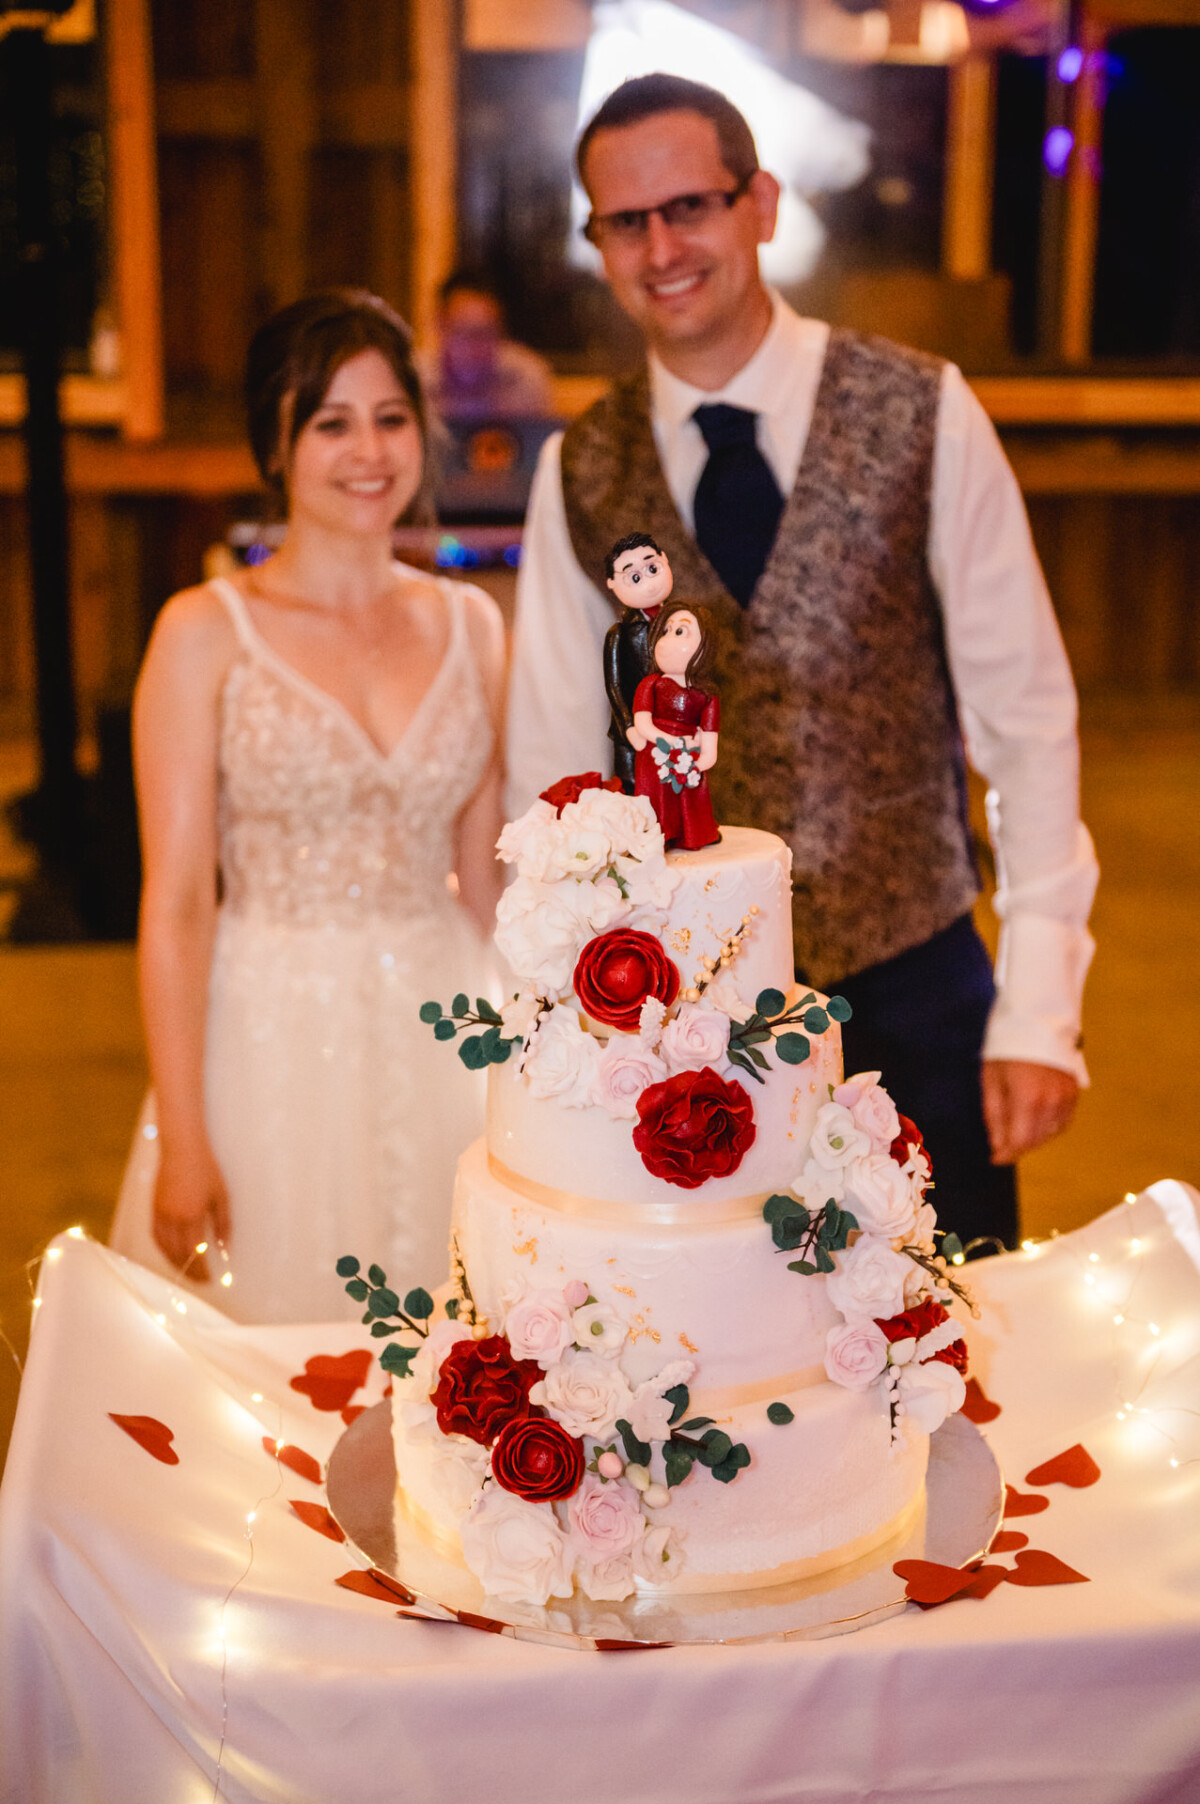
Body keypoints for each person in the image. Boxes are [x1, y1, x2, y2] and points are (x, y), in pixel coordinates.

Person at [506, 74, 1099, 1250]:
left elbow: (1027, 722)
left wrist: (1039, 1006)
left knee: (949, 1361)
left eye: (692, 207)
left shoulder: (925, 409)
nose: (662, 247)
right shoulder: (579, 463)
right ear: (598, 243)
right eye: (626, 222)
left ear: (761, 204)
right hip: (682, 1030)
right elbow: (552, 771)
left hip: (918, 984)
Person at [110, 289, 506, 1322]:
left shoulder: (473, 625)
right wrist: (186, 1136)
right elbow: (178, 902)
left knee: (473, 1362)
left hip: (447, 1025)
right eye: (331, 422)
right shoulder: (204, 631)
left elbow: (491, 884)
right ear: (275, 445)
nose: (368, 450)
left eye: (389, 417)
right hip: (268, 1035)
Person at [422, 271, 555, 421]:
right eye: (463, 331)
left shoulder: (525, 379)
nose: (475, 345)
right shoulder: (415, 382)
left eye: (486, 332)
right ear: (440, 325)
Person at [603, 533, 674, 791]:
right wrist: (629, 725)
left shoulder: (680, 624)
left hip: (673, 723)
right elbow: (614, 686)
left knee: (673, 785)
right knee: (633, 786)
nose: (649, 584)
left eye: (652, 568)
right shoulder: (620, 634)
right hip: (633, 731)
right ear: (612, 583)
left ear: (664, 561)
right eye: (635, 577)